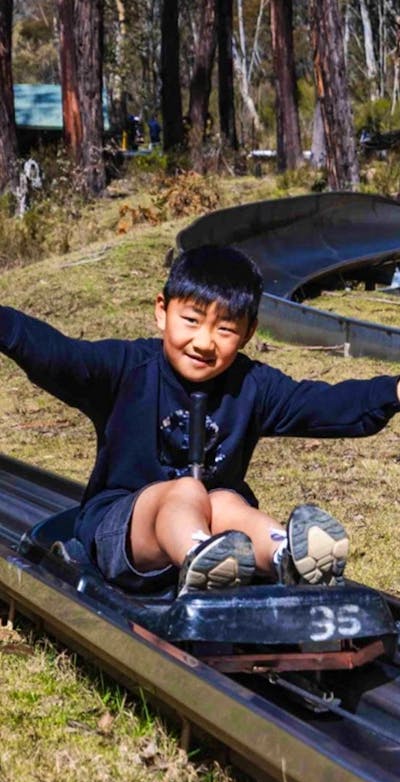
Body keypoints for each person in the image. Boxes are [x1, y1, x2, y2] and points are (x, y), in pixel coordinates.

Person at [0, 246, 399, 596]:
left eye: (225, 329)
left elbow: (326, 405)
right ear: (162, 311)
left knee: (227, 501)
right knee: (185, 492)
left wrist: (394, 391)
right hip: (121, 531)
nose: (205, 342)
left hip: (216, 525)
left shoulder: (252, 385)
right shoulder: (126, 369)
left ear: (247, 334)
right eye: (191, 320)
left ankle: (284, 554)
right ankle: (200, 557)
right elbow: (60, 357)